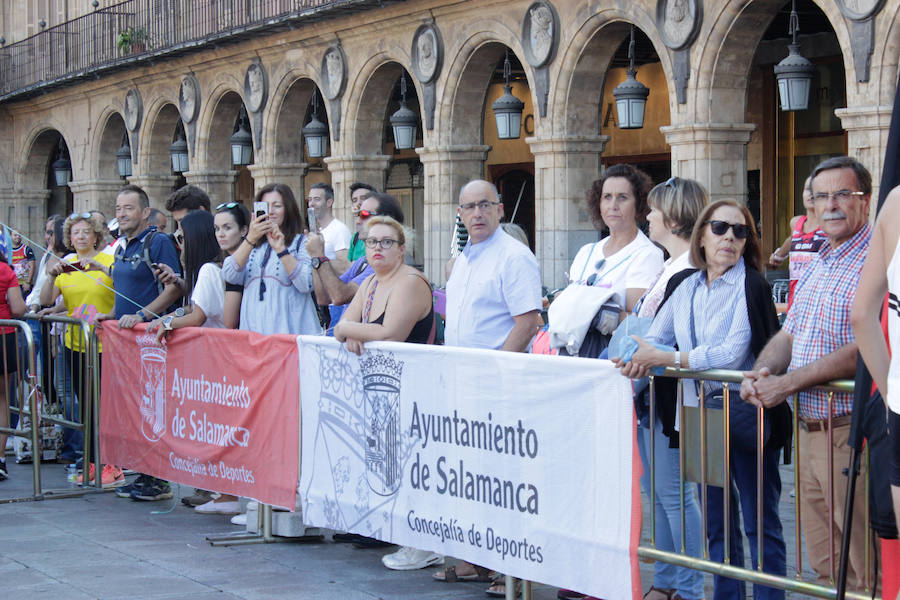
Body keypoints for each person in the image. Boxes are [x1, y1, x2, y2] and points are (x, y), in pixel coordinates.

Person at [618, 199, 788, 600]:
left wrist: (668, 358)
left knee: (759, 522)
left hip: (746, 410)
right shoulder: (686, 284)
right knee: (717, 520)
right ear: (702, 235)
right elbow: (657, 333)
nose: (729, 237)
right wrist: (639, 357)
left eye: (740, 231)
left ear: (748, 241)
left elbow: (730, 352)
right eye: (720, 228)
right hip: (700, 414)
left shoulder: (752, 284)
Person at [742, 156, 876, 594]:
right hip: (810, 432)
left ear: (866, 200)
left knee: (865, 568)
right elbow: (790, 332)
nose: (832, 205)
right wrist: (762, 371)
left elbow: (869, 347)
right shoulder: (819, 259)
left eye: (844, 194)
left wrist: (788, 384)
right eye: (823, 196)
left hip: (852, 433)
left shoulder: (881, 263)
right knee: (824, 566)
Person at [435, 179, 542, 597]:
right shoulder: (463, 259)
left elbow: (527, 320)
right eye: (468, 207)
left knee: (503, 479)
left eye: (484, 205)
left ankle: (511, 570)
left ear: (500, 210)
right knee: (474, 475)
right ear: (459, 215)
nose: (476, 214)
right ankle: (478, 559)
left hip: (497, 385)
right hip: (463, 385)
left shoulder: (514, 257)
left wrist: (495, 367)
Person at [333, 215, 440, 570]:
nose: (377, 248)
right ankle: (404, 534)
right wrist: (353, 330)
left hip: (418, 388)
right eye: (371, 241)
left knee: (417, 465)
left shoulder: (408, 281)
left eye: (386, 242)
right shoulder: (372, 283)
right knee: (392, 462)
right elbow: (340, 327)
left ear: (403, 249)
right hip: (386, 391)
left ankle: (425, 543)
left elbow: (390, 333)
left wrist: (354, 330)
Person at [621, 177, 708, 600]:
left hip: (673, 400)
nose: (648, 216)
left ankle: (688, 587)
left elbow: (676, 337)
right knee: (657, 494)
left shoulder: (688, 269)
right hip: (651, 395)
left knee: (674, 496)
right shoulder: (670, 266)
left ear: (672, 217)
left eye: (654, 210)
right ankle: (669, 581)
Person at [106, 184, 183, 502]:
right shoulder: (122, 246)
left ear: (145, 213)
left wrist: (140, 316)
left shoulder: (159, 241)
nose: (121, 214)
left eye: (128, 208)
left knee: (154, 409)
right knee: (137, 409)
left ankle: (159, 480)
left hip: (152, 342)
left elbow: (175, 288)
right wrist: (109, 315)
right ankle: (144, 474)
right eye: (118, 208)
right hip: (126, 344)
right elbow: (123, 289)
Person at [40, 212, 122, 487]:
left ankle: (112, 464)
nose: (81, 236)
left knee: (104, 405)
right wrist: (51, 278)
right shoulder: (66, 265)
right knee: (85, 405)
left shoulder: (109, 262)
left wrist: (109, 313)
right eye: (76, 233)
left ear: (97, 235)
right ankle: (89, 462)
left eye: (87, 231)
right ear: (69, 238)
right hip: (74, 344)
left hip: (106, 344)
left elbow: (123, 296)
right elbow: (47, 300)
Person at [552, 164, 663, 357]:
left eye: (623, 197)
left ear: (638, 204)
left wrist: (595, 312)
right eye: (607, 197)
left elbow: (638, 322)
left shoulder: (646, 254)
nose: (613, 205)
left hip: (612, 358)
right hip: (570, 354)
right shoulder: (586, 252)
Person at [223, 182, 319, 336]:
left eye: (277, 206)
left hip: (290, 334)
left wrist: (281, 250)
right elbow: (229, 275)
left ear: (288, 209)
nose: (271, 212)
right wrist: (250, 239)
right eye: (266, 206)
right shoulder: (251, 246)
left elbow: (306, 283)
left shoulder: (302, 242)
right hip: (254, 335)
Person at [309, 192, 404, 329]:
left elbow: (339, 296)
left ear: (387, 221)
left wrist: (319, 255)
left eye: (364, 215)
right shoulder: (363, 262)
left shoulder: (382, 264)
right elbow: (324, 297)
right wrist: (315, 257)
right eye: (357, 215)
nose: (358, 221)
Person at [768, 176, 826, 307]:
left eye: (816, 190)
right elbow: (791, 239)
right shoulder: (796, 222)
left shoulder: (829, 226)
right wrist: (779, 255)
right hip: (795, 300)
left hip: (818, 300)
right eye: (807, 189)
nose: (811, 194)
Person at [0, 250, 26, 480]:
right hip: (3, 336)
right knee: (2, 400)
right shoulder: (6, 270)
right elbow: (18, 309)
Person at [307, 182, 351, 275]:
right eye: (310, 200)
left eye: (317, 199)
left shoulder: (339, 230)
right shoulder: (318, 231)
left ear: (329, 202)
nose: (312, 204)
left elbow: (344, 266)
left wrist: (319, 258)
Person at [348, 182, 377, 261]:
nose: (358, 203)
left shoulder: (379, 235)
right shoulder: (356, 237)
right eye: (354, 200)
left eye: (363, 198)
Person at [10, 229, 35, 297]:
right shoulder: (8, 250)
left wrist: (28, 282)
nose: (17, 237)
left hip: (24, 284)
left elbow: (32, 266)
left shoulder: (27, 249)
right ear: (10, 236)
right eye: (15, 235)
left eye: (19, 235)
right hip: (12, 284)